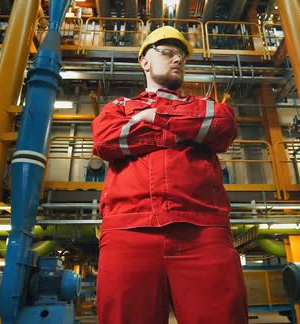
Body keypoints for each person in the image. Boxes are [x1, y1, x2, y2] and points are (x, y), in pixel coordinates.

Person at [91, 26, 248, 324]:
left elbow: (224, 127)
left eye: (182, 57)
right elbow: (107, 141)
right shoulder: (119, 108)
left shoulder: (207, 108)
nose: (177, 59)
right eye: (167, 52)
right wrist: (183, 134)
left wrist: (155, 117)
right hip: (129, 229)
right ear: (144, 62)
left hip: (203, 229)